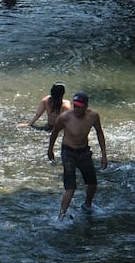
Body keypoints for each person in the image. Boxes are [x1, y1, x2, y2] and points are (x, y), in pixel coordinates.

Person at [46, 92, 108, 220]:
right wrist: (50, 149)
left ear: (86, 106)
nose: (76, 109)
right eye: (75, 106)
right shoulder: (65, 117)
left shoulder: (93, 116)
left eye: (79, 106)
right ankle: (61, 217)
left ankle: (87, 205)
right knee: (70, 187)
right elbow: (54, 133)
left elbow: (99, 133)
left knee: (92, 183)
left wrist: (104, 155)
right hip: (68, 152)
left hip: (84, 152)